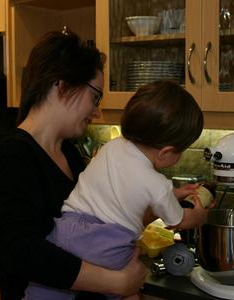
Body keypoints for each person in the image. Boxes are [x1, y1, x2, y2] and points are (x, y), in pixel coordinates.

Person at [0, 30, 147, 300]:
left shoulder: (68, 153)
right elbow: (23, 253)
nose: (97, 111)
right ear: (62, 86)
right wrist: (117, 283)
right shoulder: (13, 158)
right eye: (95, 97)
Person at [24, 80, 210, 300]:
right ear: (166, 152)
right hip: (109, 244)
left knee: (48, 290)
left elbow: (124, 192)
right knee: (128, 288)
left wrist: (173, 195)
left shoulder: (111, 147)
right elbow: (178, 220)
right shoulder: (157, 184)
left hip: (68, 229)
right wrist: (199, 215)